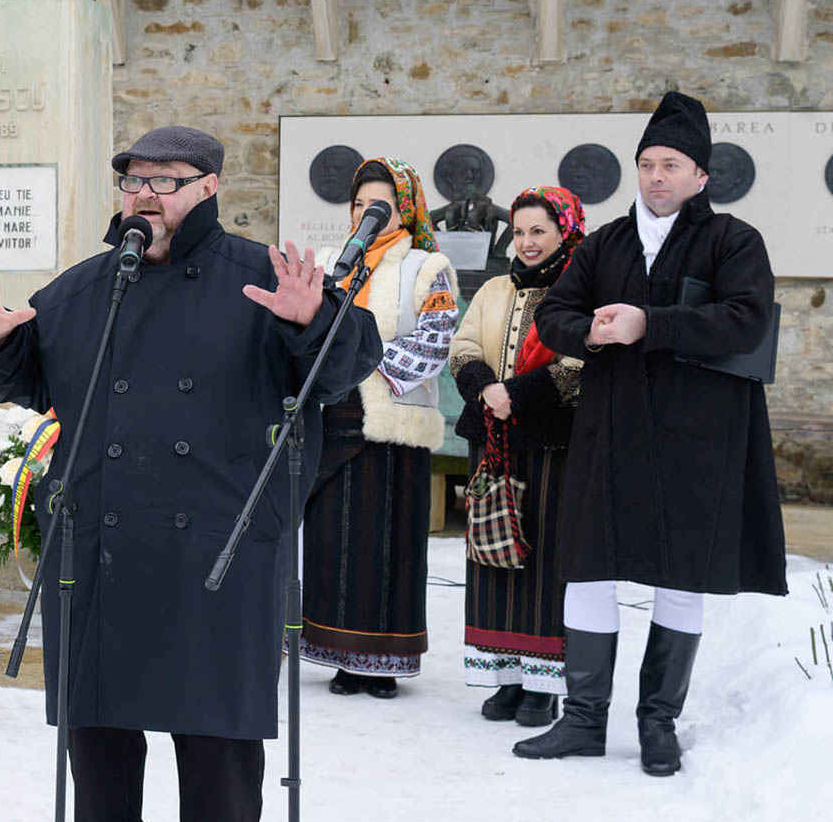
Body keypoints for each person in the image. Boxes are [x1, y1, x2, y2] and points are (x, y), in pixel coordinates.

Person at [0, 126, 381, 822]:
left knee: (215, 732)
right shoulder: (85, 287)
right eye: (133, 182)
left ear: (210, 187)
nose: (144, 195)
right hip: (102, 539)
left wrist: (312, 321)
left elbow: (341, 368)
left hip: (217, 548)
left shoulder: (261, 277)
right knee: (98, 725)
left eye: (166, 182)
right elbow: (26, 375)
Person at [517, 92, 786, 776]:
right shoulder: (605, 243)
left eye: (671, 164)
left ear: (701, 176)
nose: (656, 176)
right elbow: (556, 315)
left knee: (681, 577)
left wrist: (651, 323)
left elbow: (747, 320)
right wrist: (591, 333)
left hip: (697, 439)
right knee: (588, 569)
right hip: (609, 431)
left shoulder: (734, 241)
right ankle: (582, 720)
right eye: (646, 163)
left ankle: (657, 722)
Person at [298, 158, 458, 697]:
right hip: (332, 417)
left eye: (381, 205)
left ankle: (384, 661)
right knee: (334, 543)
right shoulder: (331, 263)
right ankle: (339, 653)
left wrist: (361, 362)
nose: (369, 213)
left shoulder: (426, 267)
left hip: (392, 424)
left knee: (387, 545)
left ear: (405, 210)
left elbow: (434, 341)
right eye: (360, 204)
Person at [448, 186, 587, 727]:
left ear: (564, 232)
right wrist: (487, 387)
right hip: (490, 434)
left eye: (540, 232)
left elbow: (580, 365)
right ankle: (504, 676)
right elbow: (463, 348)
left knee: (544, 556)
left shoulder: (580, 292)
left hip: (551, 441)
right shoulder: (493, 290)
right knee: (491, 552)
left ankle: (541, 684)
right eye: (521, 231)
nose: (527, 242)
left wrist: (517, 395)